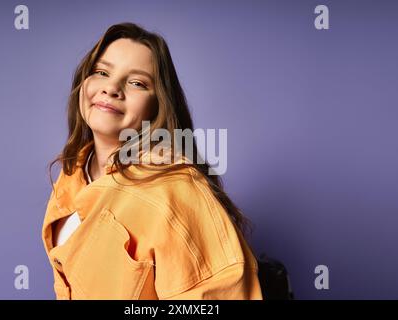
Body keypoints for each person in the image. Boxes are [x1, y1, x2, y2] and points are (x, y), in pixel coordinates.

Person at [42, 22, 263, 300]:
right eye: (101, 72)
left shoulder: (177, 191)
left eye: (137, 82)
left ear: (157, 106)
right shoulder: (73, 172)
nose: (111, 87)